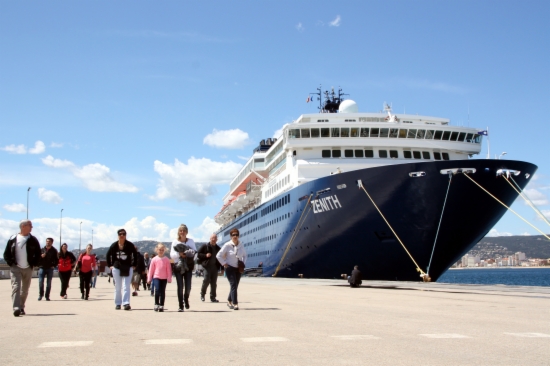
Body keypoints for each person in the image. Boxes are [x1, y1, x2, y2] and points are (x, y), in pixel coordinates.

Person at [3, 219, 42, 316]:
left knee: (24, 290)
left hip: (28, 268)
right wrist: (11, 263)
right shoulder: (13, 239)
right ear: (23, 226)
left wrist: (34, 263)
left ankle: (21, 306)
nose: (32, 227)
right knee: (16, 287)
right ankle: (16, 308)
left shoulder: (33, 240)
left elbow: (38, 253)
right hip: (16, 267)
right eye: (30, 225)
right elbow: (6, 254)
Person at [106, 229, 137, 310]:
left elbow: (135, 254)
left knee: (126, 286)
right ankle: (118, 303)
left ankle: (126, 303)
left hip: (127, 267)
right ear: (118, 235)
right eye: (120, 234)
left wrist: (134, 265)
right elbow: (108, 255)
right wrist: (110, 265)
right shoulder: (114, 245)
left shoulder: (129, 245)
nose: (122, 235)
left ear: (125, 235)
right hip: (116, 267)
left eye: (123, 234)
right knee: (118, 286)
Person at [216, 228, 247, 311]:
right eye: (233, 235)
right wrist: (223, 263)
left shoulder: (241, 245)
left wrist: (243, 263)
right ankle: (235, 303)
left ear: (238, 236)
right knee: (233, 285)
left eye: (236, 234)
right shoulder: (227, 245)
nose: (235, 236)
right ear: (231, 236)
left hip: (238, 268)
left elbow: (245, 255)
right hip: (229, 268)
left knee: (235, 286)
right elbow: (218, 255)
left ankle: (229, 301)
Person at [170, 224, 196, 312]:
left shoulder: (191, 241)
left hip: (188, 265)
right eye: (181, 230)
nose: (182, 232)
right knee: (180, 286)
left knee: (188, 286)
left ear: (186, 232)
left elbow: (194, 252)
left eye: (184, 230)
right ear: (178, 232)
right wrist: (179, 254)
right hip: (178, 266)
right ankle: (181, 305)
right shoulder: (175, 242)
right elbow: (172, 255)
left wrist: (188, 254)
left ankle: (186, 298)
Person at [147, 243, 172, 312]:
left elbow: (169, 270)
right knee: (157, 290)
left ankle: (161, 305)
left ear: (164, 250)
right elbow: (151, 270)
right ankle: (156, 304)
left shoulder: (166, 259)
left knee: (162, 291)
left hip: (164, 278)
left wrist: (169, 278)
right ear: (157, 250)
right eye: (159, 250)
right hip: (156, 277)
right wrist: (149, 279)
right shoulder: (154, 259)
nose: (161, 251)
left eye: (162, 250)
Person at [197, 234, 221, 302]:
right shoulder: (205, 246)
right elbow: (198, 254)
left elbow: (221, 259)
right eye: (212, 238)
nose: (213, 239)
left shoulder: (218, 248)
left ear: (217, 239)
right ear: (210, 238)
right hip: (207, 266)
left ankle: (213, 297)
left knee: (214, 283)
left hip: (215, 267)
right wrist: (205, 255)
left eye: (215, 238)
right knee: (206, 280)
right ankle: (202, 294)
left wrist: (222, 268)